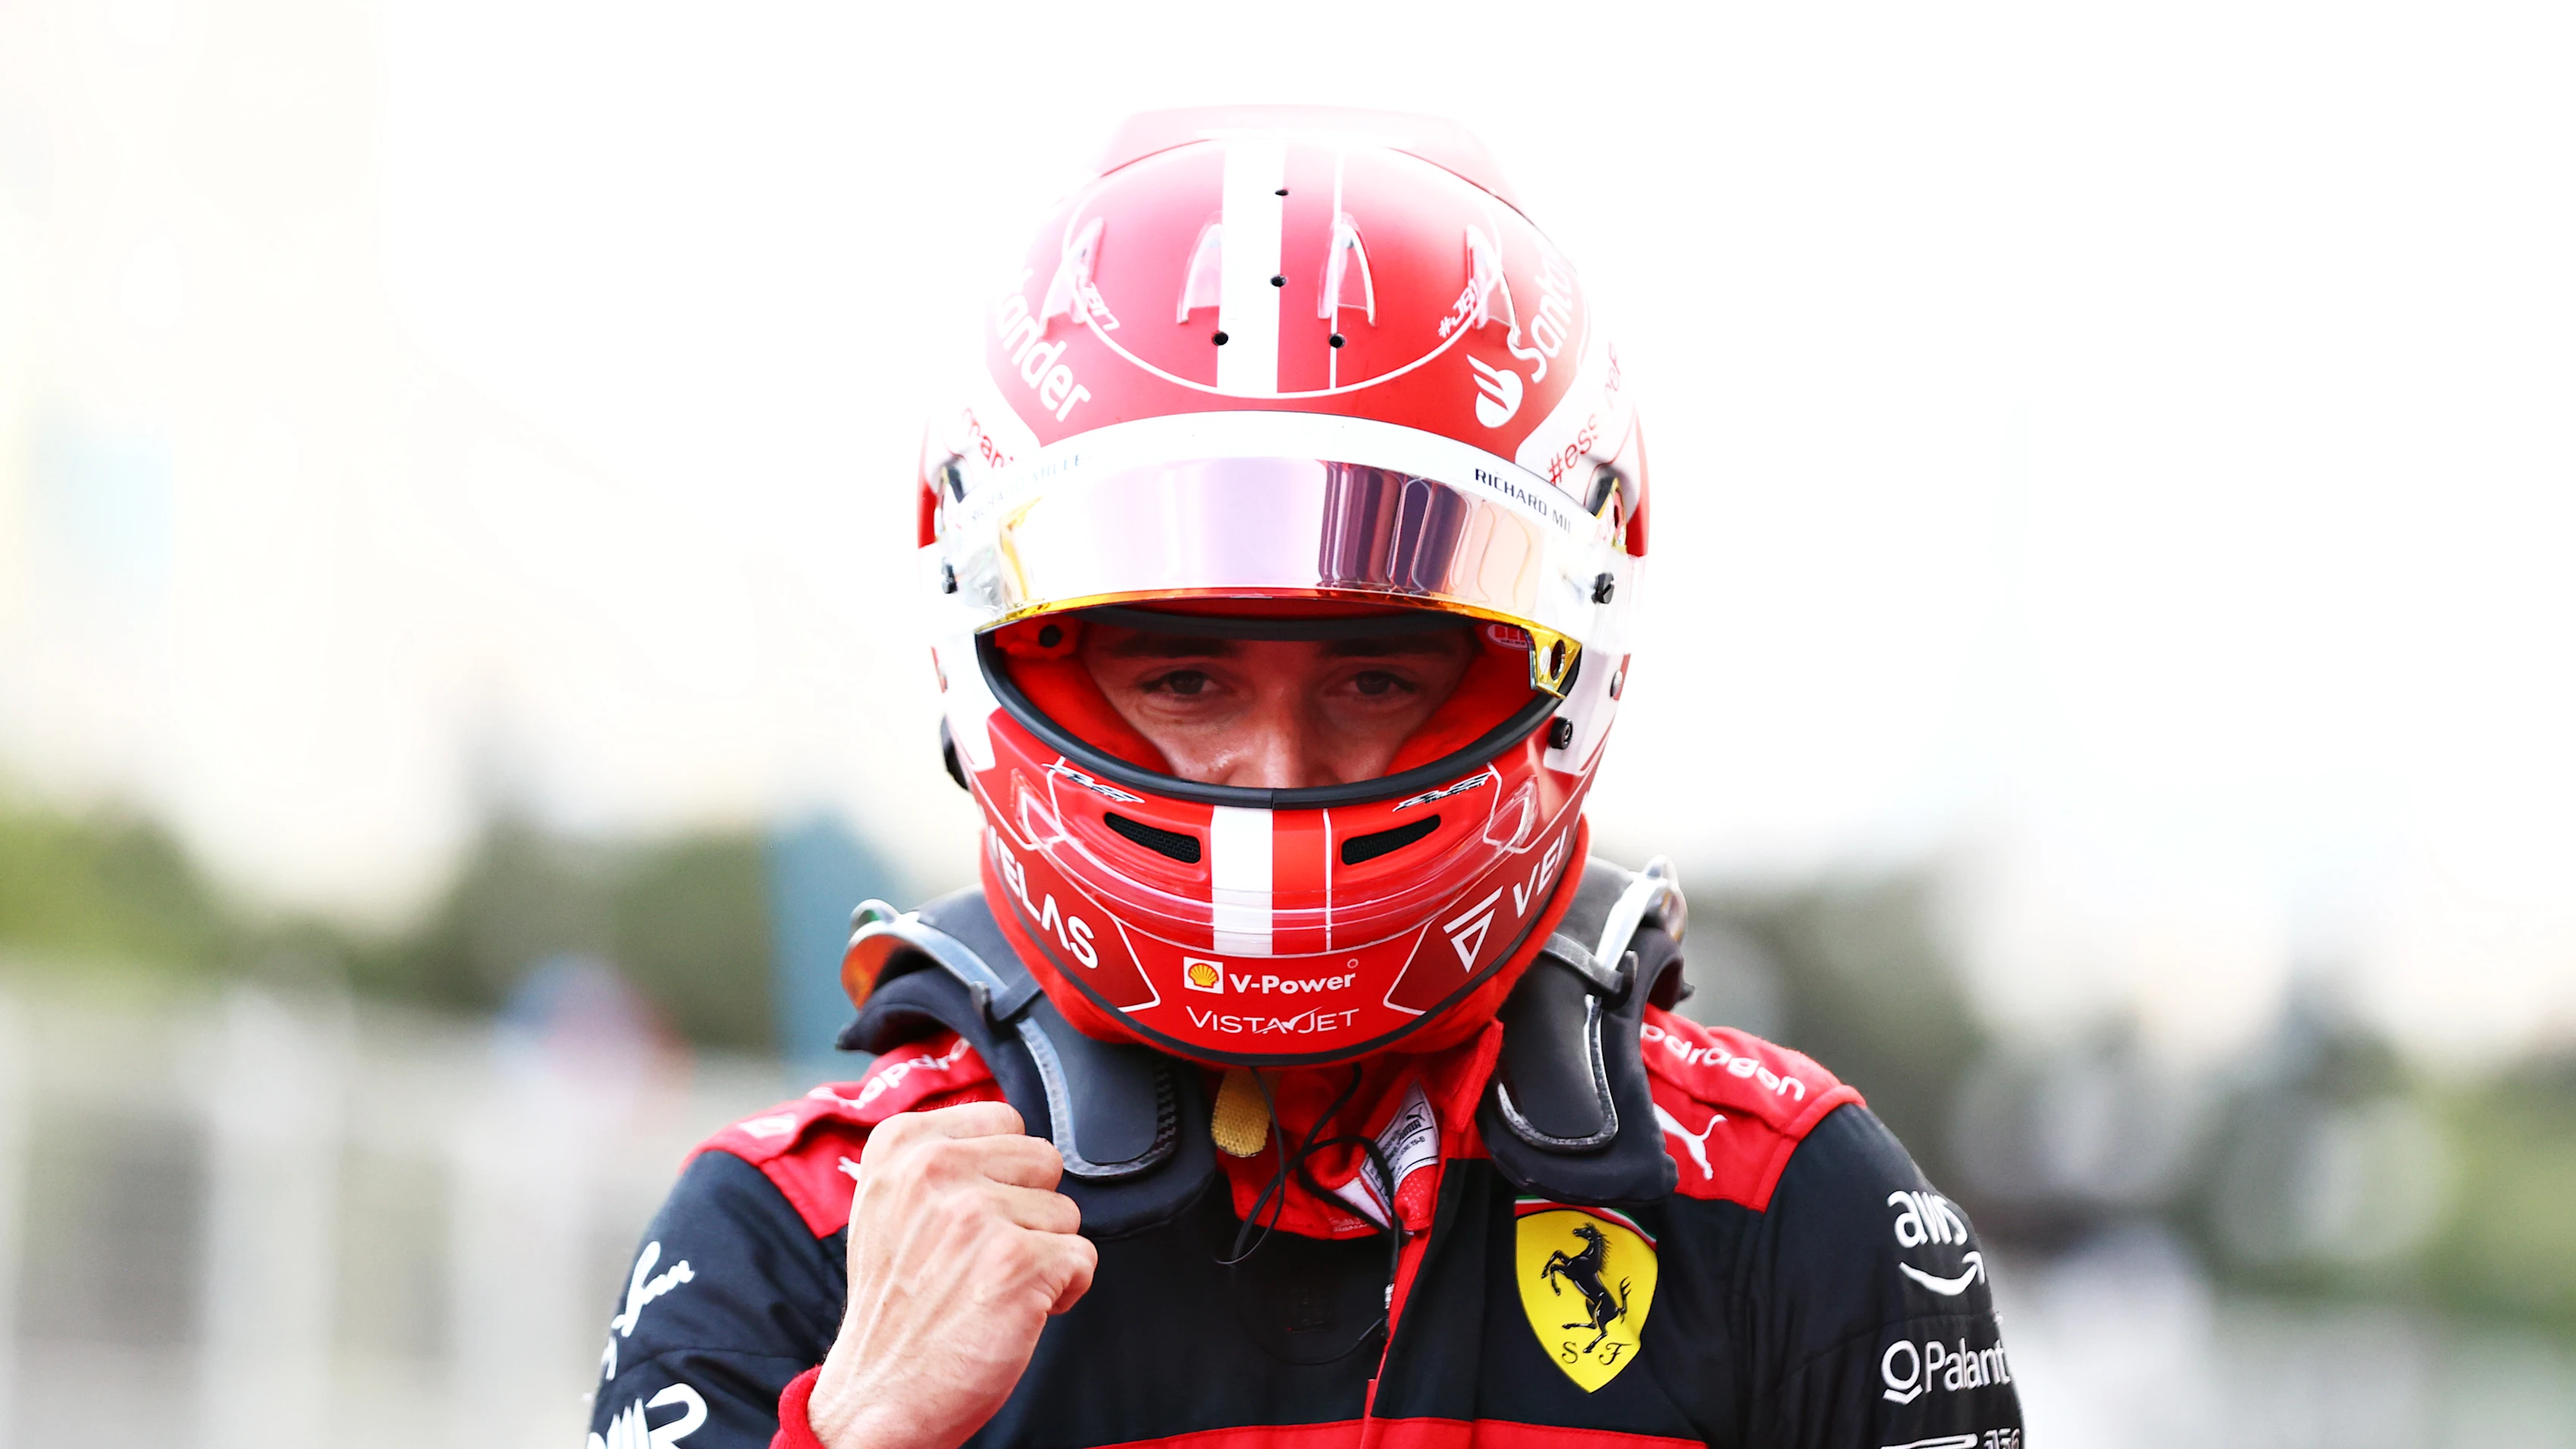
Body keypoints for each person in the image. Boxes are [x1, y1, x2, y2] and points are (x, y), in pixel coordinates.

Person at [588, 106, 2024, 1449]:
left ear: (1563, 666)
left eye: (1377, 677)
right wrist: (855, 1429)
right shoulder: (794, 1237)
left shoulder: (1792, 1204)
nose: (1274, 774)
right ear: (992, 650)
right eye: (1185, 680)